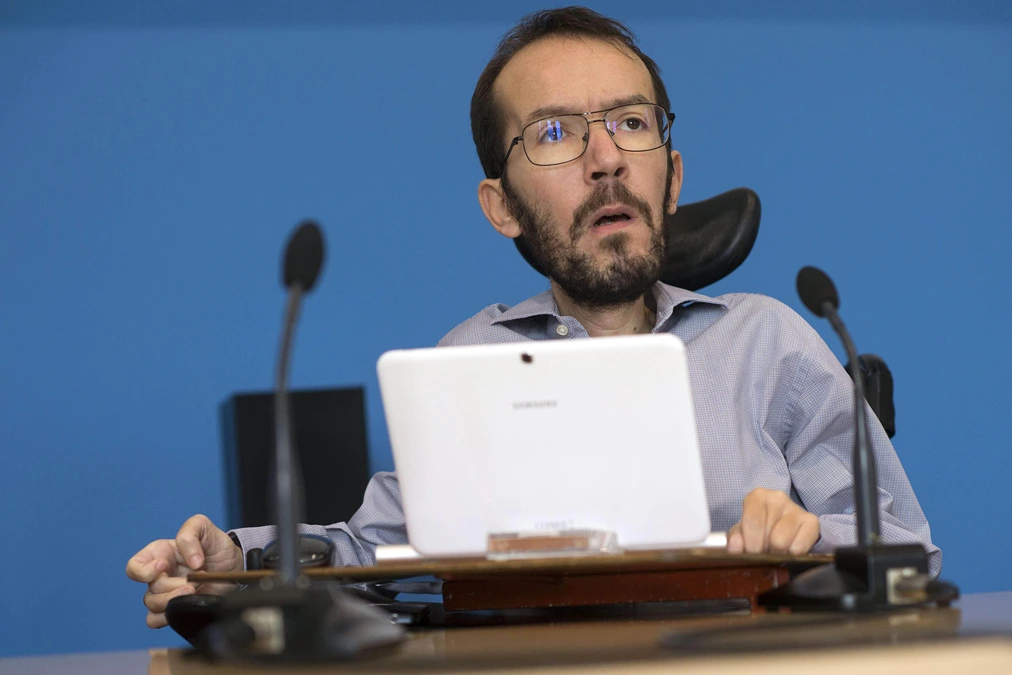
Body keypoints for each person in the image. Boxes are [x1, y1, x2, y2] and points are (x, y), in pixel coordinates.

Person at [127, 6, 939, 630]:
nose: (606, 156)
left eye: (630, 122)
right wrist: (236, 559)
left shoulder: (768, 342)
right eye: (555, 132)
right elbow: (376, 554)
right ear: (501, 206)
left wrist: (809, 539)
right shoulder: (473, 359)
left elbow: (909, 547)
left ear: (673, 174)